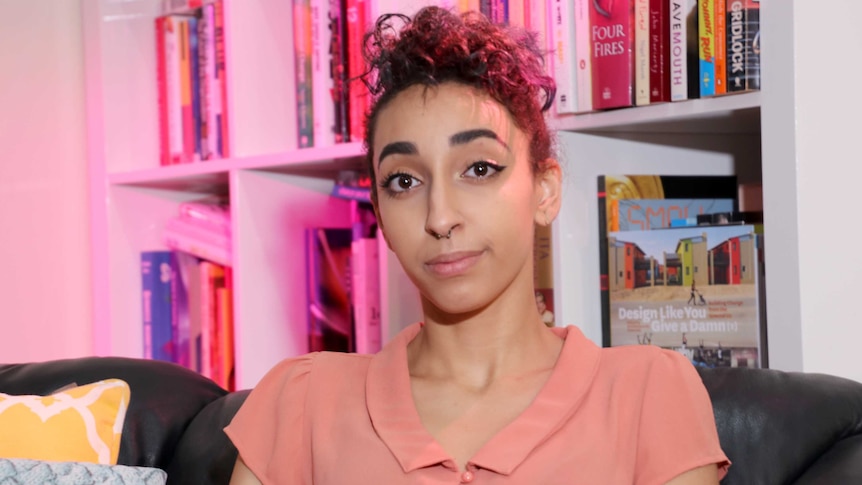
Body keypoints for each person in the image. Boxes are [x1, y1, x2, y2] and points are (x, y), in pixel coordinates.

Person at [225, 7, 730, 484]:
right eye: (403, 181)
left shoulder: (649, 395)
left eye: (479, 169)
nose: (440, 218)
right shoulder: (301, 402)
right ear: (378, 212)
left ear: (545, 191)